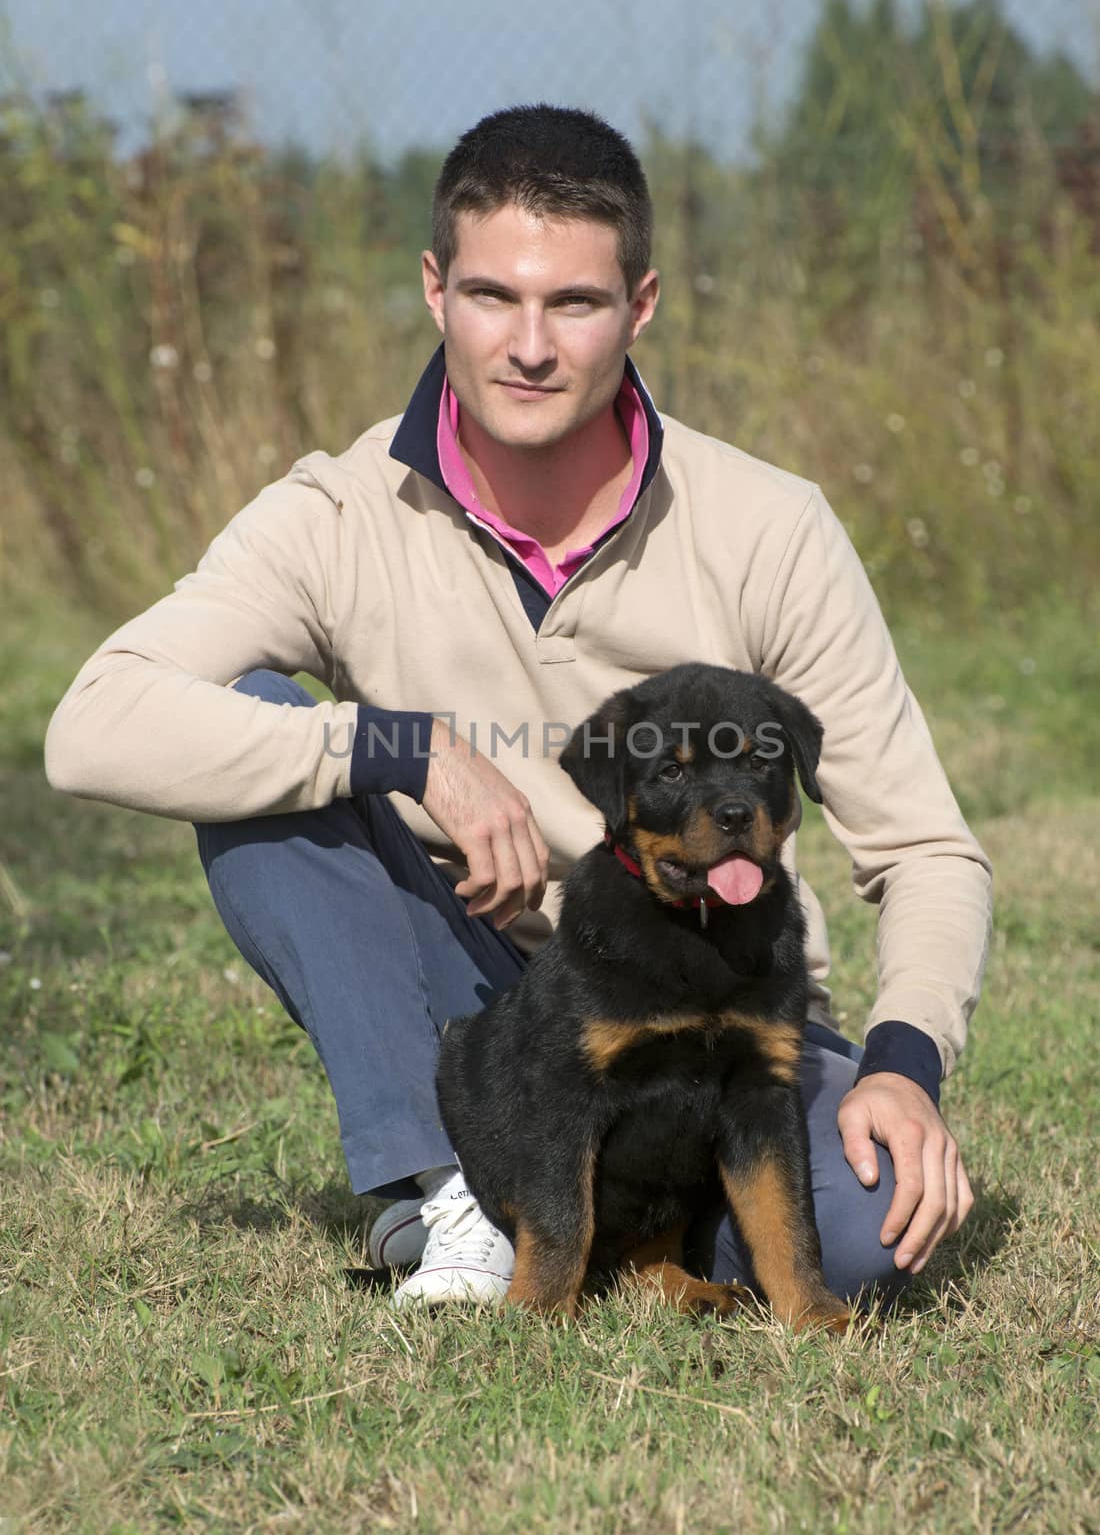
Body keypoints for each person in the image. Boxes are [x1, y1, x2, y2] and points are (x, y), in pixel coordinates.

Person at [45, 104, 992, 1313]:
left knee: (866, 1245)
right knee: (255, 728)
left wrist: (905, 1066)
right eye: (493, 296)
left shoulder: (766, 524)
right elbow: (94, 725)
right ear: (434, 288)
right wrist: (397, 746)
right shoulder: (337, 513)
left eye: (575, 304)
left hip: (720, 1010)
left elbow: (924, 849)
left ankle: (631, 1218)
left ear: (639, 304)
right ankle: (451, 1190)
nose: (528, 345)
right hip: (472, 994)